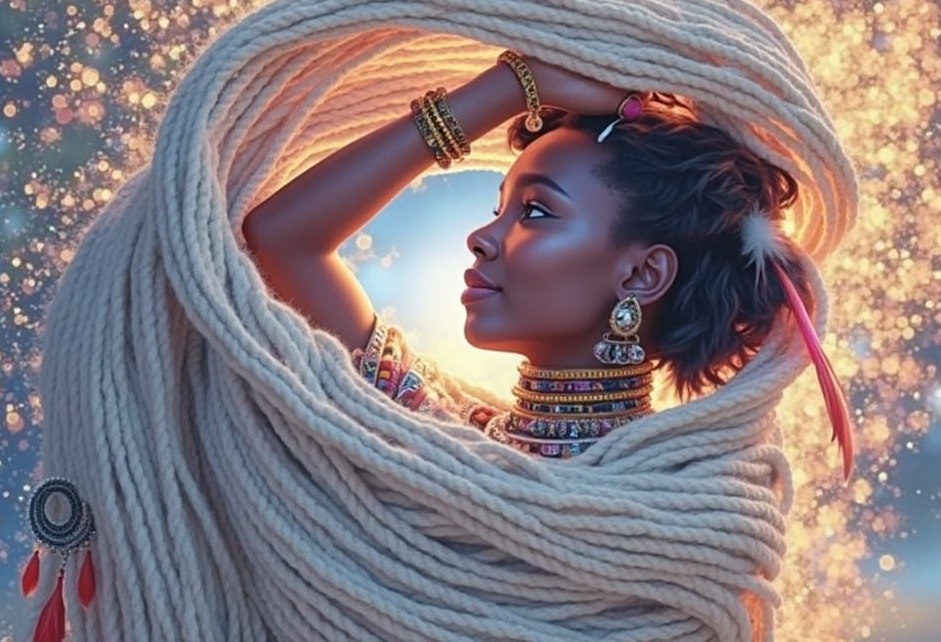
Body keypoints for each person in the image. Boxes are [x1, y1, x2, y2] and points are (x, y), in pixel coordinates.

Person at [241, 49, 814, 459]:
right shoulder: (437, 424)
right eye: (499, 209)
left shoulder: (685, 505)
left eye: (535, 212)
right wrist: (514, 85)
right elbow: (281, 238)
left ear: (642, 273)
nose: (482, 238)